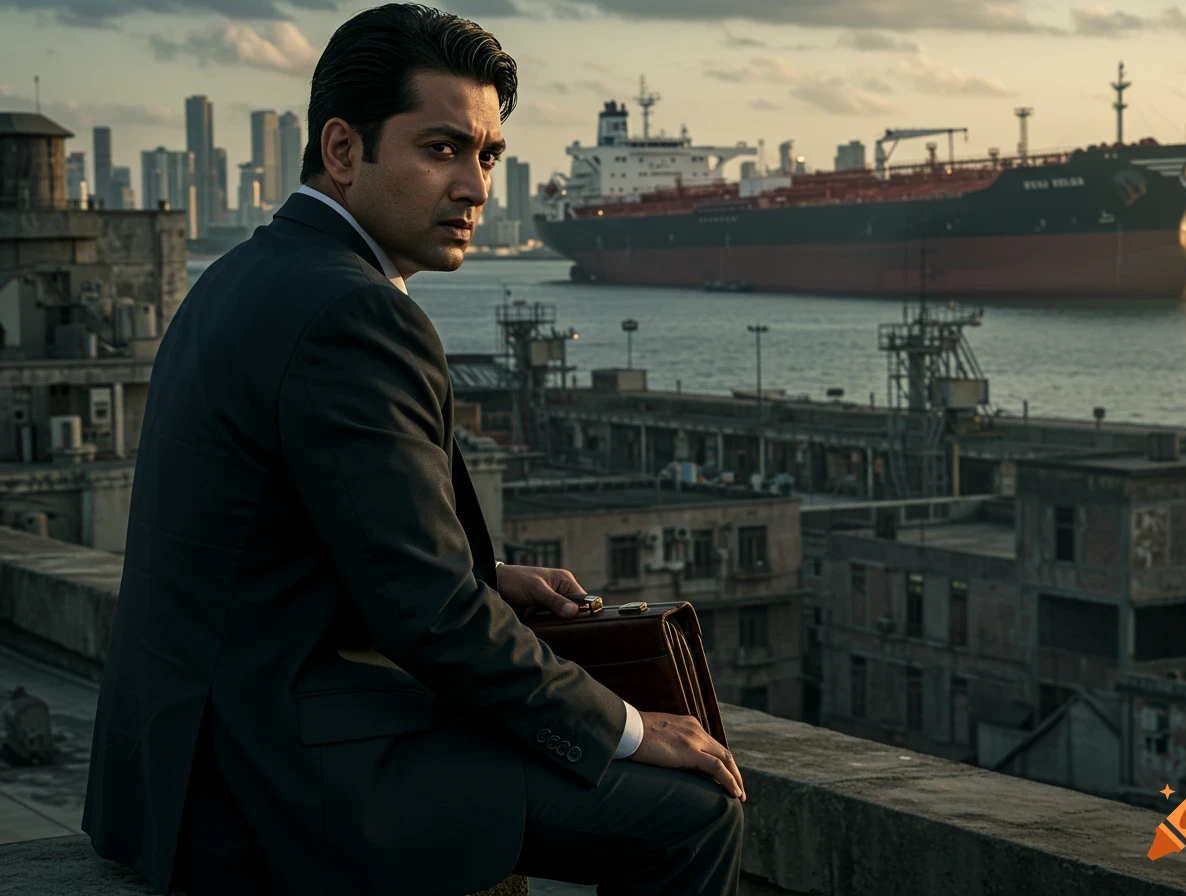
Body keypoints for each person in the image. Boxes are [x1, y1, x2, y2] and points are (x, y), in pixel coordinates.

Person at [81, 4, 744, 895]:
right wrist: (626, 725)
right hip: (270, 774)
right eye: (441, 150)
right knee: (692, 813)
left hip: (177, 757)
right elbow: (428, 616)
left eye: (489, 156)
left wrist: (480, 569)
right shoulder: (355, 311)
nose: (476, 187)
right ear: (345, 151)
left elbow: (292, 536)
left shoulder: (244, 274)